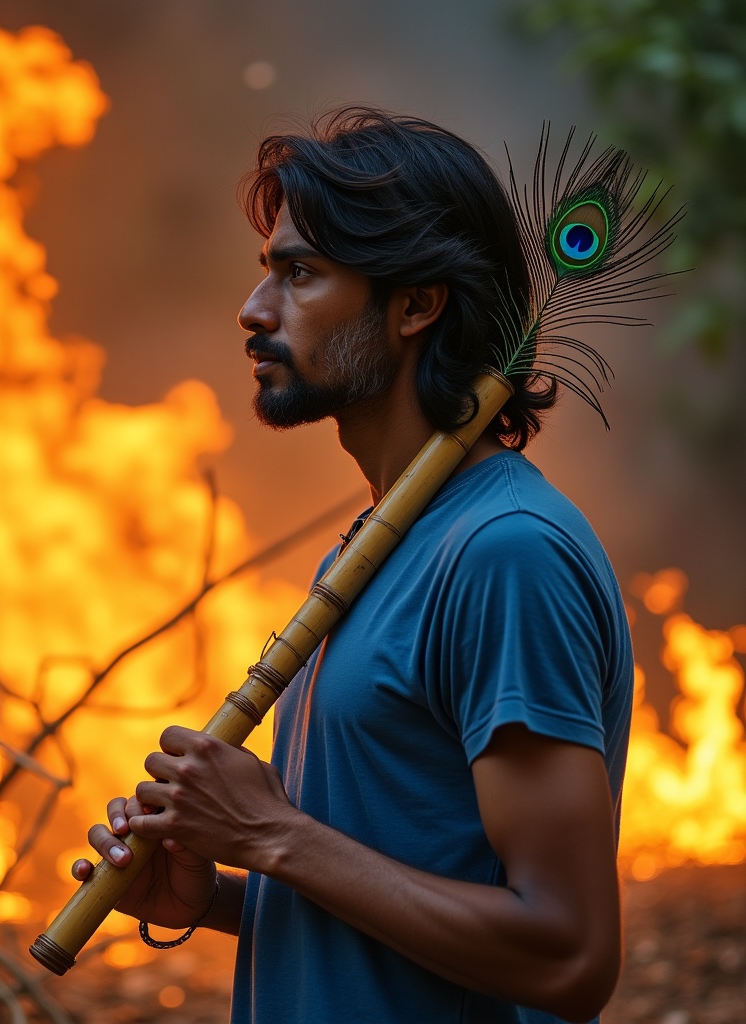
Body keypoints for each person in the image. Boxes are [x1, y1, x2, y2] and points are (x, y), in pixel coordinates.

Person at [73, 107, 634, 1024]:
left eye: (301, 273)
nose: (254, 312)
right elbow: (392, 884)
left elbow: (567, 956)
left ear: (416, 304)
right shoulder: (381, 544)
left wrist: (269, 833)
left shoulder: (505, 556)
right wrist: (211, 893)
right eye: (268, 273)